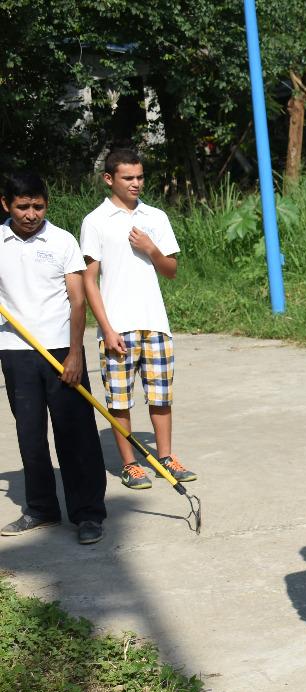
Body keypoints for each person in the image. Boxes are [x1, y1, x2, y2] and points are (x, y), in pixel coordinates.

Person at [0, 171, 107, 545]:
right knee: (30, 435)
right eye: (23, 206)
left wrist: (76, 352)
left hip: (62, 349)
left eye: (38, 206)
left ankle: (88, 514)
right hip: (15, 352)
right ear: (6, 205)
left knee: (76, 434)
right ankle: (42, 509)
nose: (31, 214)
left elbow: (78, 300)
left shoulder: (62, 241)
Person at [80, 147, 194, 490]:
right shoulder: (95, 221)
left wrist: (151, 249)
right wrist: (106, 328)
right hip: (117, 327)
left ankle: (165, 457)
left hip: (155, 323)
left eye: (140, 177)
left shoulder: (155, 217)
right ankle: (130, 464)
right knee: (120, 399)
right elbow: (89, 279)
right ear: (108, 179)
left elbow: (171, 270)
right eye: (128, 178)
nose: (136, 183)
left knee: (161, 396)